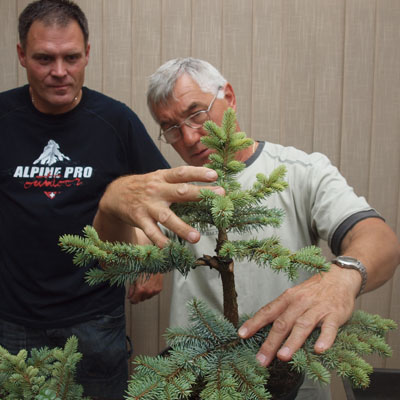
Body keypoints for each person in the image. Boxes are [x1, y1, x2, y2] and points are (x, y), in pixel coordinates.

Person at [140, 57, 399, 398]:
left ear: (229, 97)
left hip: (288, 377)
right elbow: (119, 253)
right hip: (200, 379)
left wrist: (344, 277)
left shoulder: (300, 171)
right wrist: (112, 204)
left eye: (197, 114)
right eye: (171, 128)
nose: (188, 137)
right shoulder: (174, 192)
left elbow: (378, 238)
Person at [0, 2, 221, 399]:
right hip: (13, 319)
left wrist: (154, 258)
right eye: (44, 58)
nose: (59, 71)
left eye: (71, 57)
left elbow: (161, 195)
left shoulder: (115, 120)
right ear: (21, 55)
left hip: (95, 319)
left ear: (87, 53)